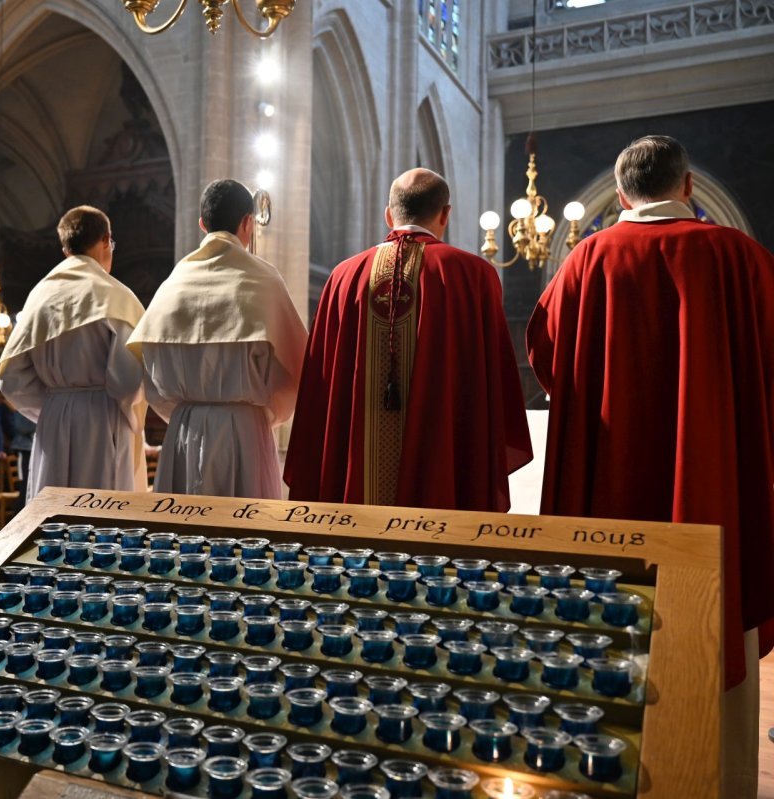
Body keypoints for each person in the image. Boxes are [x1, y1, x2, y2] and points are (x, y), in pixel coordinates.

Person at [526, 135, 774, 798]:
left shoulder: (584, 263)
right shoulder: (741, 257)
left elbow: (550, 362)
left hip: (610, 488)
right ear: (687, 186)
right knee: (721, 616)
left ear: (623, 192)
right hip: (714, 485)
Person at [285, 168, 531, 510]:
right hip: (442, 466)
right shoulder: (473, 276)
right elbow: (493, 381)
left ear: (389, 215)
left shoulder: (343, 278)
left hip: (356, 486)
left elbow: (319, 389)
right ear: (445, 214)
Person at [128, 179, 306, 498]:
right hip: (246, 432)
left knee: (185, 538)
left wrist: (188, 409)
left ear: (201, 224)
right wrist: (265, 414)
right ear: (248, 223)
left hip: (184, 429)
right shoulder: (264, 280)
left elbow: (151, 379)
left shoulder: (173, 285)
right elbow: (297, 371)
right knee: (245, 539)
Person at [0, 205, 146, 499]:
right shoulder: (115, 296)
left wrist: (53, 405)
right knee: (102, 516)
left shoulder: (39, 297)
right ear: (106, 239)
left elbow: (12, 379)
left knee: (53, 514)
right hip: (102, 419)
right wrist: (127, 415)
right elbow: (130, 381)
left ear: (65, 249)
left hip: (54, 416)